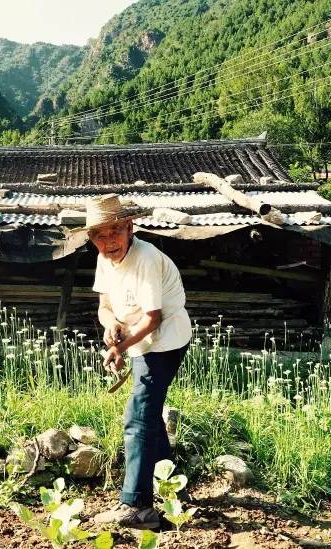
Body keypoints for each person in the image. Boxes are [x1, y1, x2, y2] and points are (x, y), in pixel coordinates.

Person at [85, 194, 192, 529]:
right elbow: (105, 305)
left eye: (114, 231)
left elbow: (154, 319)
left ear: (129, 227)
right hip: (138, 341)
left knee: (137, 415)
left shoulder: (145, 257)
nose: (108, 241)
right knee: (148, 413)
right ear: (92, 238)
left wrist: (120, 347)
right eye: (99, 235)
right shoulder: (105, 258)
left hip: (165, 341)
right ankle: (170, 483)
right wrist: (111, 325)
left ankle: (137, 505)